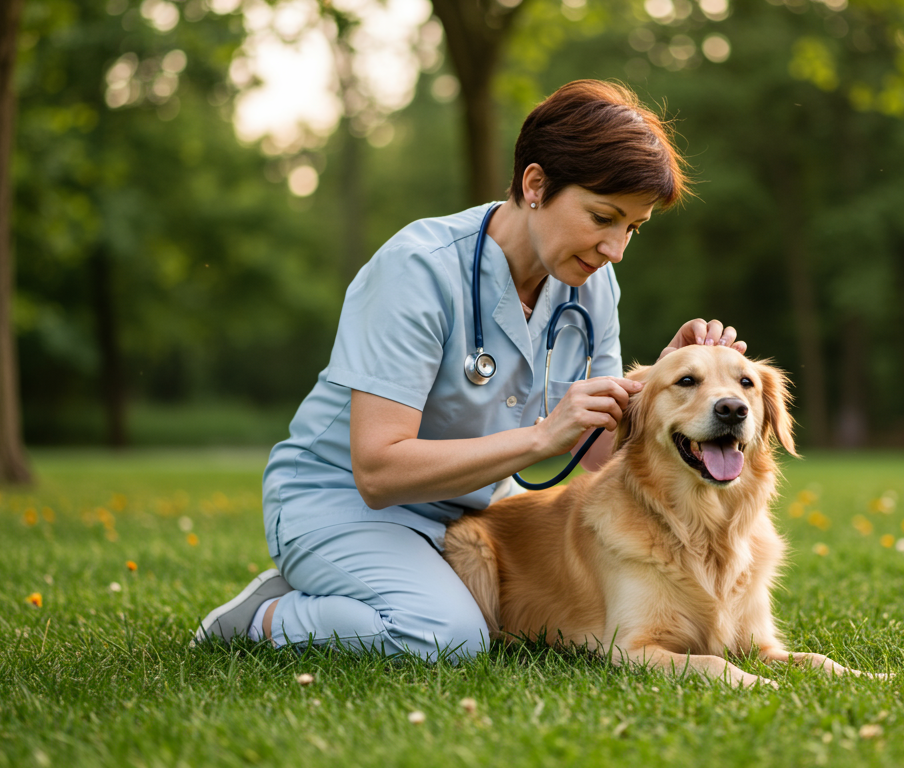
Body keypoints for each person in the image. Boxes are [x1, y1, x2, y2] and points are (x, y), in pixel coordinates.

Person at [193, 80, 748, 662]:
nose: (615, 249)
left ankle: (389, 589)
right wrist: (539, 437)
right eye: (602, 217)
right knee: (446, 637)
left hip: (476, 515)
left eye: (632, 228)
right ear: (535, 185)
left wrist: (668, 384)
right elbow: (377, 471)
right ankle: (264, 616)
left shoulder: (590, 283)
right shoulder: (417, 270)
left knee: (485, 624)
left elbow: (599, 453)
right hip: (342, 504)